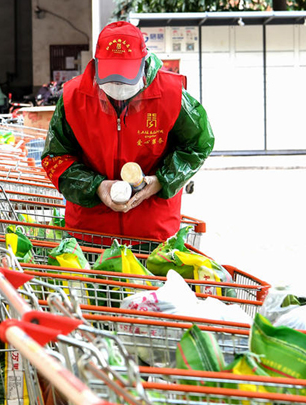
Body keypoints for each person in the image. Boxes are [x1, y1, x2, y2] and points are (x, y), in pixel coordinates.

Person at [41, 21, 215, 244]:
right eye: (111, 77)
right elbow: (55, 156)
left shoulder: (172, 95)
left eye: (125, 76)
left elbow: (197, 145)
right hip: (91, 232)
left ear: (143, 64)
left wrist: (160, 181)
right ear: (95, 64)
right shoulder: (73, 98)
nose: (118, 86)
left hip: (153, 232)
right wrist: (97, 187)